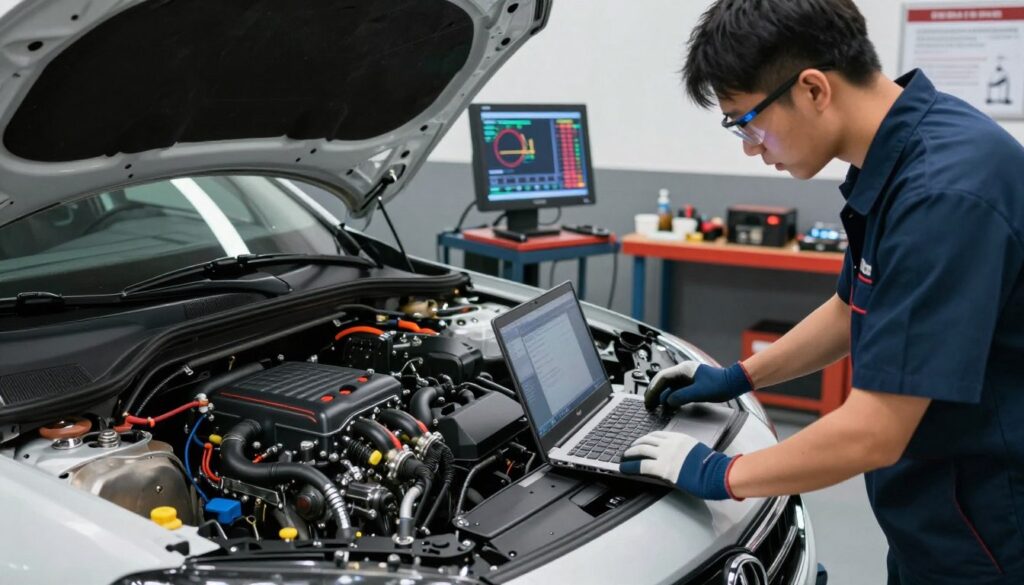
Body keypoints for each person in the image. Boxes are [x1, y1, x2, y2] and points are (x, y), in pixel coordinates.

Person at [618, 1, 1024, 584]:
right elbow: (848, 309)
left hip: (989, 533)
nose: (751, 148)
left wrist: (721, 474)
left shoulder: (943, 195)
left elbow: (874, 430)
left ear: (812, 89)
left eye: (748, 122)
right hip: (937, 515)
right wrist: (739, 376)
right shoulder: (904, 155)